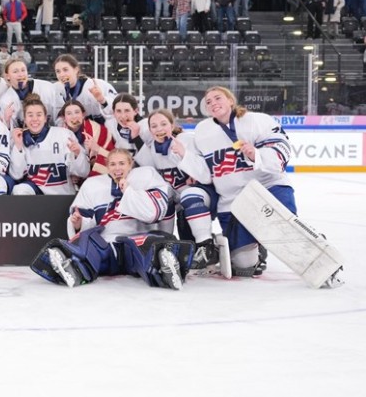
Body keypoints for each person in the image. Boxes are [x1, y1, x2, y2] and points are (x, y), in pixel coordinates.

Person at [31, 148, 185, 290]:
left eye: (121, 163)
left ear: (131, 164)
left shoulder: (145, 177)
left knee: (150, 246)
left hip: (136, 239)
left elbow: (152, 213)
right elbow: (86, 222)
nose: (117, 168)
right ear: (107, 166)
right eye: (112, 164)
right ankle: (74, 268)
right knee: (88, 245)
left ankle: (165, 269)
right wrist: (78, 223)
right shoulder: (92, 185)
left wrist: (129, 191)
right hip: (107, 243)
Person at [188, 86, 294, 277]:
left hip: (267, 189)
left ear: (230, 100)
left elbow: (282, 147)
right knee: (243, 267)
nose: (213, 103)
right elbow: (204, 169)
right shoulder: (202, 131)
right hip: (232, 201)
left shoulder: (256, 120)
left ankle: (299, 238)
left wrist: (257, 154)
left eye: (218, 98)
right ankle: (255, 248)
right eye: (208, 101)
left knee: (284, 228)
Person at [134, 109, 220, 269]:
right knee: (162, 197)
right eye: (154, 126)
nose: (159, 129)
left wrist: (184, 155)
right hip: (181, 203)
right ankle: (166, 241)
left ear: (172, 125)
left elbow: (207, 175)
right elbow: (143, 174)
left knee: (188, 194)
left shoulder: (187, 139)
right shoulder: (150, 148)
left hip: (202, 194)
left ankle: (206, 246)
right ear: (150, 130)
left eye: (163, 124)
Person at [8, 94, 89, 195]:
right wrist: (18, 147)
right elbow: (16, 175)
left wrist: (77, 154)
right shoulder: (19, 138)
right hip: (35, 192)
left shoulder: (63, 134)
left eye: (39, 115)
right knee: (19, 190)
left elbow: (83, 172)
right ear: (24, 119)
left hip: (63, 196)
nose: (34, 119)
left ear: (45, 118)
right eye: (30, 115)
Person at [0, 56, 62, 128]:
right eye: (15, 71)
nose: (20, 74)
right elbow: (8, 131)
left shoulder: (47, 87)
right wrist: (7, 121)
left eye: (23, 70)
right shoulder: (6, 101)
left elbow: (60, 113)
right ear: (7, 76)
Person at [59, 99, 115, 178]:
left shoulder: (99, 130)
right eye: (69, 113)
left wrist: (97, 149)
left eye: (77, 112)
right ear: (64, 118)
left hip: (98, 178)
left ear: (83, 115)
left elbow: (114, 157)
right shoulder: (59, 133)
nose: (74, 116)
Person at [53, 54, 116, 122]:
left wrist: (102, 100)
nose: (61, 74)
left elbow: (117, 112)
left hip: (101, 130)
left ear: (76, 69)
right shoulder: (55, 90)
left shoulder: (96, 85)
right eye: (58, 71)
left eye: (65, 70)